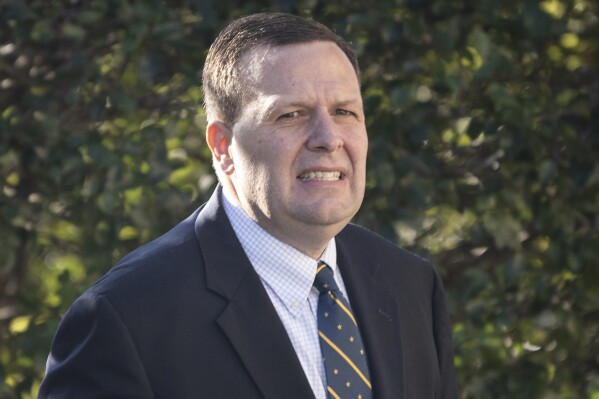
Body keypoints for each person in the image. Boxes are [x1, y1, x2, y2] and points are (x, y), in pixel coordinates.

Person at [39, 12, 459, 399]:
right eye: (291, 115)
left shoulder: (411, 285)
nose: (328, 138)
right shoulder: (126, 318)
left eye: (345, 111)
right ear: (223, 147)